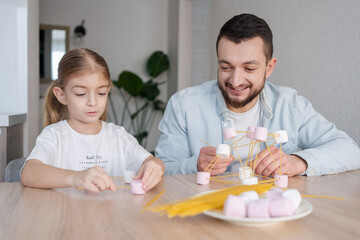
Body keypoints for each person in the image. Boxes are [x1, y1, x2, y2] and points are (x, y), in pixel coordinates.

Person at [155, 13, 360, 177]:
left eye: (249, 68)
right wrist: (195, 165)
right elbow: (162, 168)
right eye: (226, 67)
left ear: (269, 68)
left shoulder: (290, 104)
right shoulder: (184, 105)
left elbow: (350, 150)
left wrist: (297, 162)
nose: (235, 81)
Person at [21, 48, 164, 193]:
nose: (93, 102)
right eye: (81, 93)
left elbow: (153, 162)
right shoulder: (54, 135)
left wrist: (154, 165)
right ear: (62, 96)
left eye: (101, 93)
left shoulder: (118, 136)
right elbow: (29, 173)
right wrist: (75, 177)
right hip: (67, 213)